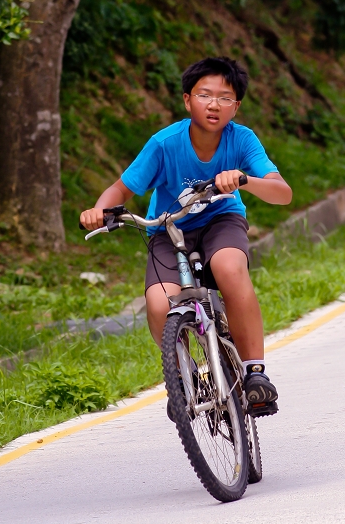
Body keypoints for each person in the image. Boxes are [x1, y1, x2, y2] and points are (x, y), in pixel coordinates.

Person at [80, 56, 293, 417]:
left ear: (236, 106)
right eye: (204, 95)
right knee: (160, 303)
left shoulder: (242, 139)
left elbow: (281, 193)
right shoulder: (164, 144)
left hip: (221, 221)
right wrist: (98, 211)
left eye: (225, 97)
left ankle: (255, 373)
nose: (214, 104)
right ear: (187, 100)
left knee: (229, 267)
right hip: (169, 228)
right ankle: (186, 376)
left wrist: (243, 179)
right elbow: (121, 189)